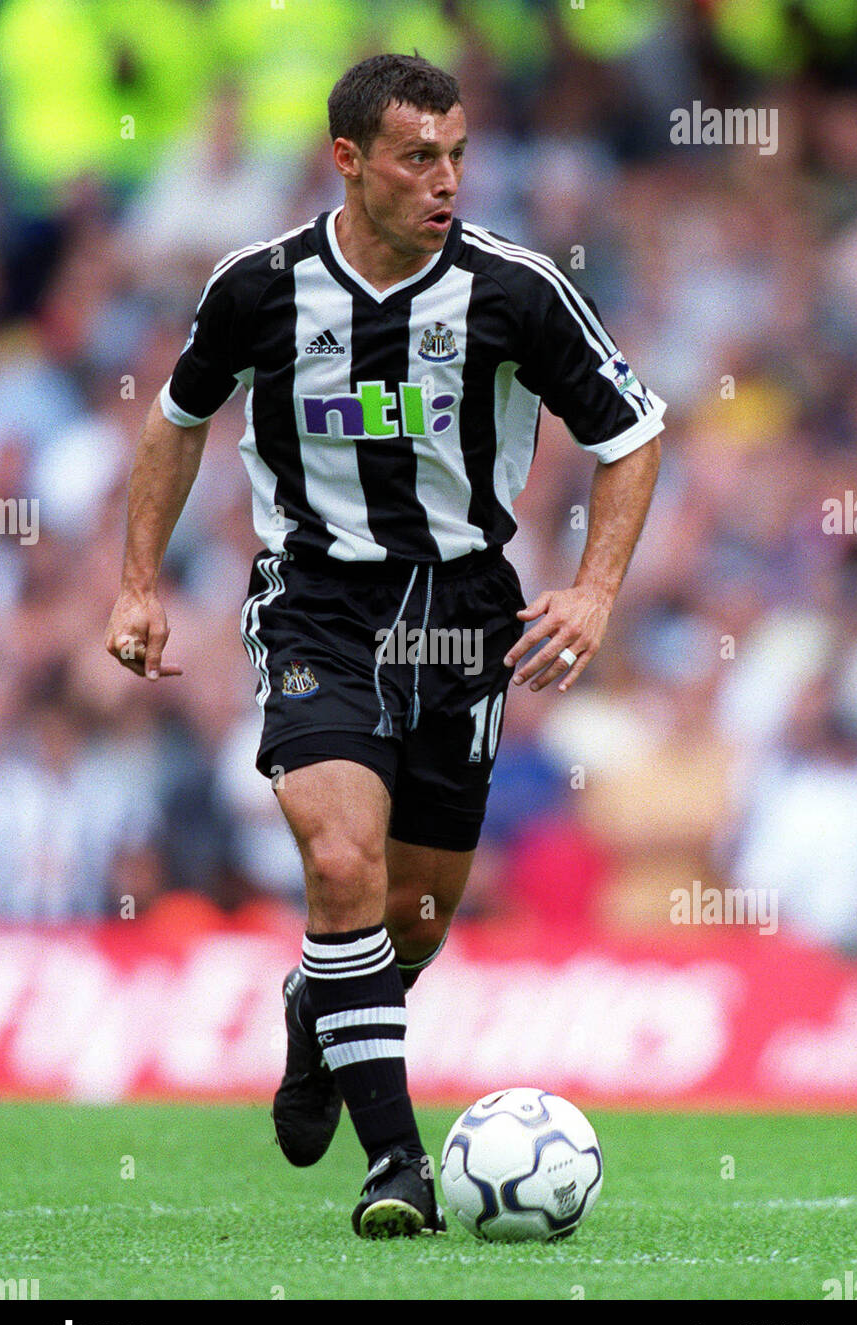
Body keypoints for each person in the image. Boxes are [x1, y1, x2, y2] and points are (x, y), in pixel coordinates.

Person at [105, 52, 665, 1238]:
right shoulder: (257, 288)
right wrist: (139, 582)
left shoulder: (515, 290)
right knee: (341, 861)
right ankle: (397, 1163)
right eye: (419, 157)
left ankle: (322, 1011)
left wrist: (596, 591)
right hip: (315, 604)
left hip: (464, 612)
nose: (447, 179)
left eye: (458, 154)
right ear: (348, 161)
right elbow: (175, 422)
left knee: (412, 918)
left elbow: (631, 433)